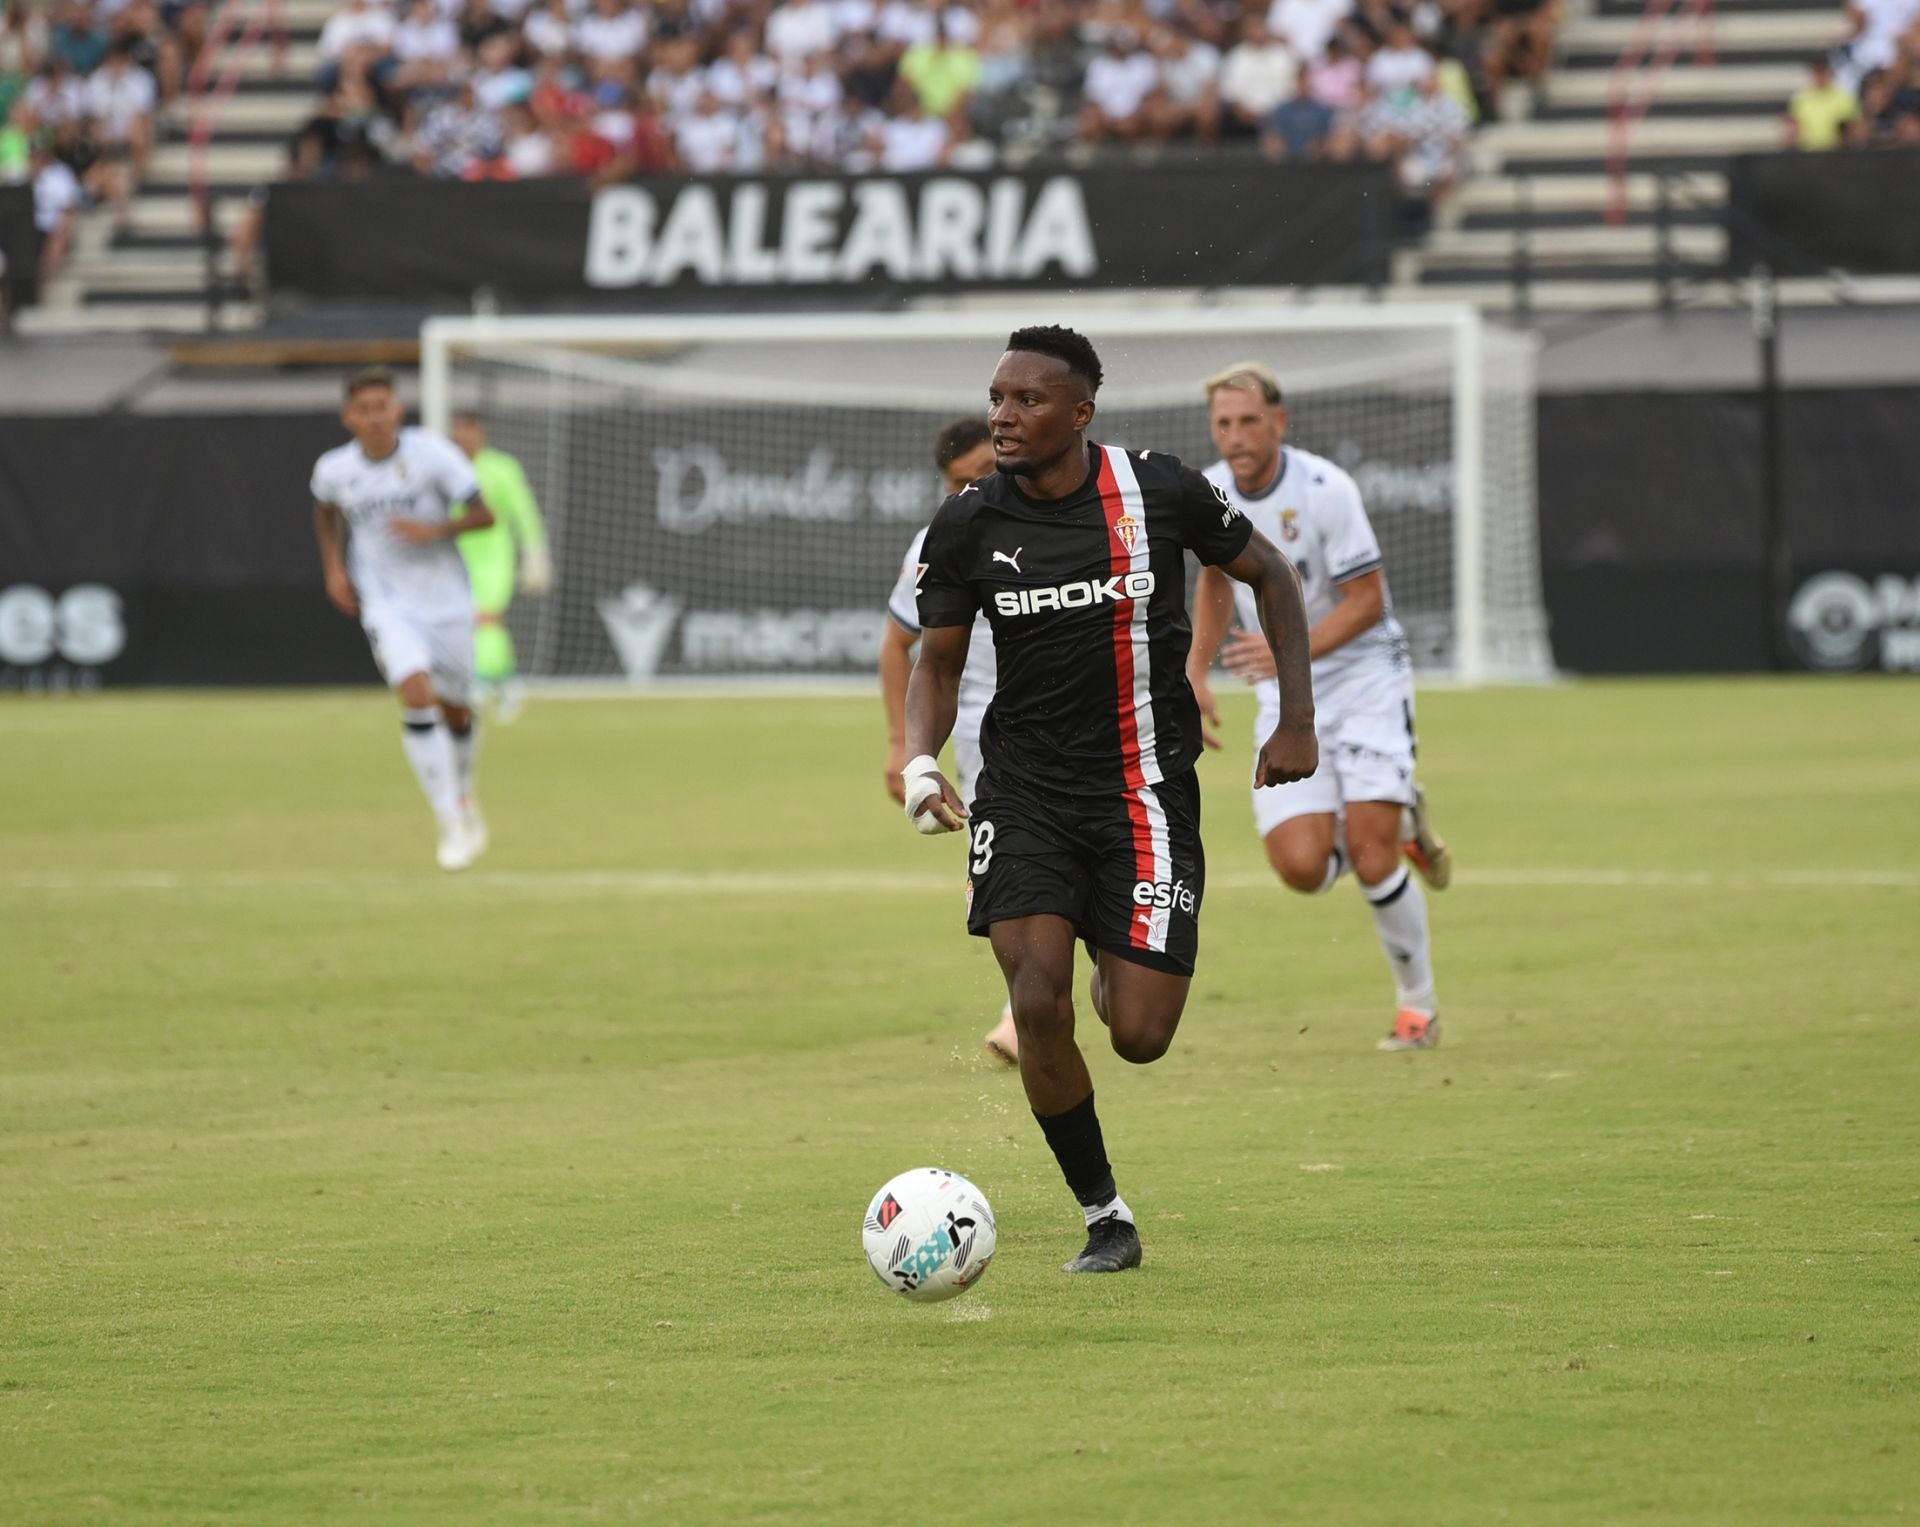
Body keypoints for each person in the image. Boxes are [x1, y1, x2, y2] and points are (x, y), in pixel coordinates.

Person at [903, 326, 1317, 1274]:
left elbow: (1272, 575)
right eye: (998, 398)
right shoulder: (967, 521)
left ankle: (1109, 937)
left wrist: (1295, 718)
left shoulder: (1159, 488)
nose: (1004, 416)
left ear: (1080, 412)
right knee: (1039, 999)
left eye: (1028, 401)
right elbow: (937, 660)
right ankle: (1106, 1216)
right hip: (1025, 794)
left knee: (1137, 1033)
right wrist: (922, 761)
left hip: (1147, 791)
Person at [1186, 360, 1451, 1052]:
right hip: (1285, 690)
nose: (1236, 435)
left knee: (1369, 857)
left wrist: (1282, 654)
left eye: (1249, 420)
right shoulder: (1211, 491)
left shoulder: (1328, 489)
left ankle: (1417, 1007)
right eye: (1223, 423)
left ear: (1280, 420)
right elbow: (1215, 580)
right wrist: (1195, 669)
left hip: (1364, 678)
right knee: (1301, 868)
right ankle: (1394, 815)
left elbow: (1369, 602)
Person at [311, 369, 497, 870]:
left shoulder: (432, 455)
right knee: (415, 692)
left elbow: (484, 515)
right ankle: (449, 822)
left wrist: (433, 529)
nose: (373, 417)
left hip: (447, 602)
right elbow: (324, 510)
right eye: (363, 409)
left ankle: (463, 795)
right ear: (348, 417)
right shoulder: (335, 469)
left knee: (457, 709)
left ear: (397, 410)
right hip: (387, 603)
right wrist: (333, 567)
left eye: (382, 406)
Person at [880, 416, 1018, 1063]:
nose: (975, 491)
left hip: (1069, 727)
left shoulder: (1054, 523)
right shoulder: (938, 541)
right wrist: (901, 747)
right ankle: (1026, 1007)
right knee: (997, 886)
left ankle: (1038, 1005)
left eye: (985, 476)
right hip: (979, 738)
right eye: (961, 483)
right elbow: (897, 642)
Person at [449, 412, 553, 720]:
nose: (464, 438)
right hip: (459, 555)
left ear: (481, 433)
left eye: (469, 432)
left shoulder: (502, 467)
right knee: (468, 621)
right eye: (459, 433)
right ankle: (505, 683)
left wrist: (535, 551)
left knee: (487, 618)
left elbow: (523, 510)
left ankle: (480, 683)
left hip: (495, 555)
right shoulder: (447, 467)